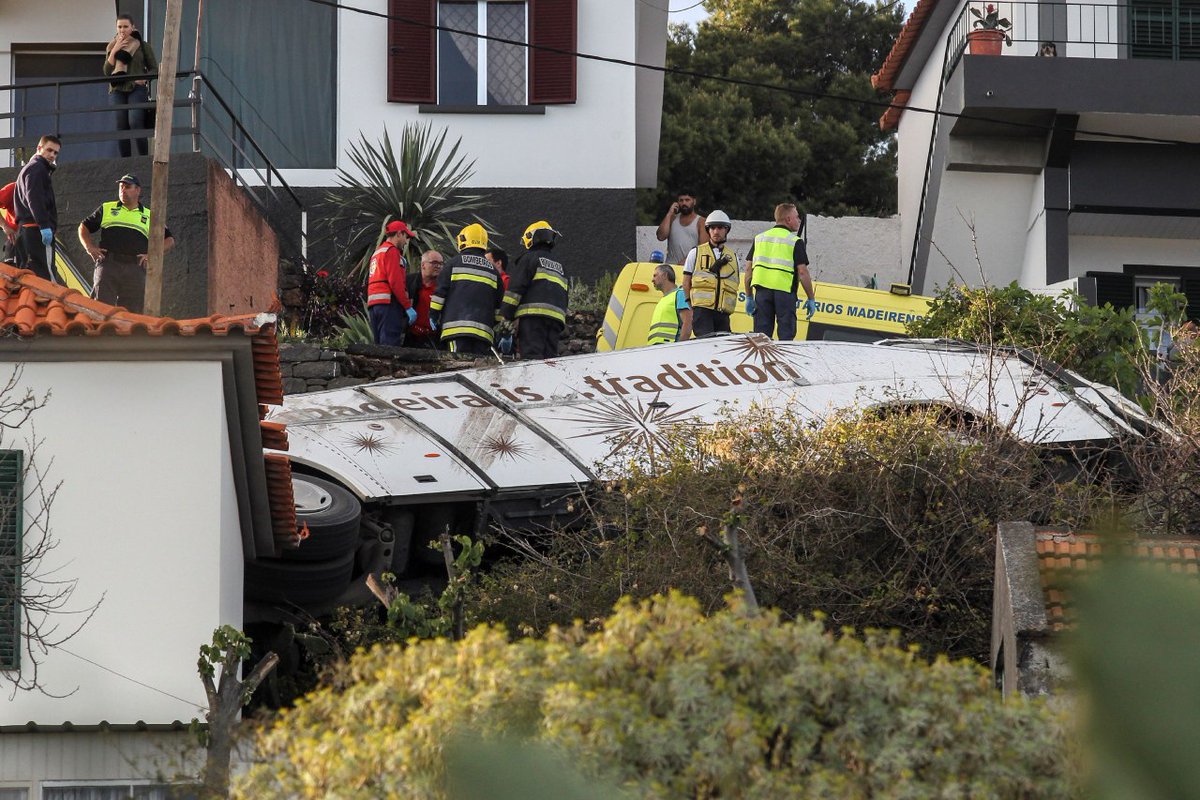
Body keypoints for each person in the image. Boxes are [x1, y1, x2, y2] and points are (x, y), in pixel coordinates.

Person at [78, 173, 175, 312]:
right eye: (121, 187)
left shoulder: (149, 215)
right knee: (100, 309)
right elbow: (83, 227)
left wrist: (152, 255)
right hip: (108, 265)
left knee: (132, 314)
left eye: (127, 187)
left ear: (138, 190)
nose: (123, 190)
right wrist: (89, 247)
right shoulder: (107, 208)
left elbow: (169, 240)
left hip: (135, 268)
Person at [744, 202, 815, 341]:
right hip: (785, 294)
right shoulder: (795, 241)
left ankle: (762, 363)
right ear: (788, 219)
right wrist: (811, 298)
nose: (799, 220)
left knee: (761, 339)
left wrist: (749, 296)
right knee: (786, 339)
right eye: (797, 217)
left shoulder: (759, 239)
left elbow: (748, 270)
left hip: (762, 294)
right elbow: (802, 272)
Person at [430, 223, 505, 355]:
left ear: (464, 240)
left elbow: (439, 295)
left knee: (458, 366)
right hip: (483, 334)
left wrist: (433, 315)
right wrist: (500, 330)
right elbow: (499, 307)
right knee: (479, 371)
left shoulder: (453, 264)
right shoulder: (494, 271)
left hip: (456, 329)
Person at [500, 221, 569, 360]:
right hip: (556, 321)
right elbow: (565, 295)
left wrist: (505, 316)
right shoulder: (561, 266)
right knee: (549, 361)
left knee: (532, 358)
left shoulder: (528, 259)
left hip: (533, 319)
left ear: (531, 238)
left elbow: (515, 291)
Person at [105, 14, 158, 158]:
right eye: (119, 27)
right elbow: (107, 71)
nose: (122, 30)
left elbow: (154, 68)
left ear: (132, 27)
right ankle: (125, 162)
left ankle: (144, 158)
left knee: (135, 122)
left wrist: (144, 78)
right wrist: (115, 50)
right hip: (117, 89)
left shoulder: (142, 45)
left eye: (125, 26)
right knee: (121, 126)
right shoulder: (111, 45)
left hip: (137, 88)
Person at [682, 210, 739, 338]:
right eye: (712, 228)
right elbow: (686, 282)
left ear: (726, 230)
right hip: (703, 312)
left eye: (720, 228)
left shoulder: (733, 257)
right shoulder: (696, 252)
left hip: (723, 314)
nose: (716, 231)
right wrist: (690, 304)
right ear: (708, 230)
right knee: (705, 346)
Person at [13, 135, 61, 284]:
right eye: (49, 150)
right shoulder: (37, 169)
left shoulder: (30, 169)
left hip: (27, 230)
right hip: (36, 230)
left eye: (56, 153)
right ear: (39, 148)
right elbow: (34, 199)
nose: (52, 155)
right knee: (46, 279)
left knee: (30, 277)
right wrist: (45, 225)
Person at [366, 220, 417, 347]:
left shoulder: (377, 252)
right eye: (405, 237)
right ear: (399, 234)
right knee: (390, 347)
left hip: (374, 305)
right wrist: (407, 306)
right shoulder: (392, 251)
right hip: (389, 304)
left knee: (379, 348)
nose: (406, 242)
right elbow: (395, 282)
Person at [655, 191, 708, 265]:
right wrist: (669, 213)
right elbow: (661, 237)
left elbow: (703, 247)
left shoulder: (701, 222)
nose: (684, 203)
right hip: (670, 267)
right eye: (681, 200)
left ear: (694, 201)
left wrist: (687, 261)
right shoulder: (672, 218)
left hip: (690, 268)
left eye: (687, 200)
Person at [405, 249, 444, 349]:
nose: (438, 266)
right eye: (434, 263)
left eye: (441, 263)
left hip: (434, 339)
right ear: (423, 265)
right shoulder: (409, 282)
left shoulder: (443, 288)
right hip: (410, 337)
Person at [648, 264, 692, 345]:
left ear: (665, 275)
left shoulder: (680, 294)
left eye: (655, 275)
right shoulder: (663, 300)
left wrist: (679, 347)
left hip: (669, 350)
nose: (652, 280)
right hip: (656, 350)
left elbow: (688, 322)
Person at [0, 182, 20, 266]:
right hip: (15, 240)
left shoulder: (41, 190)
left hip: (34, 240)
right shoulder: (14, 188)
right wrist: (4, 225)